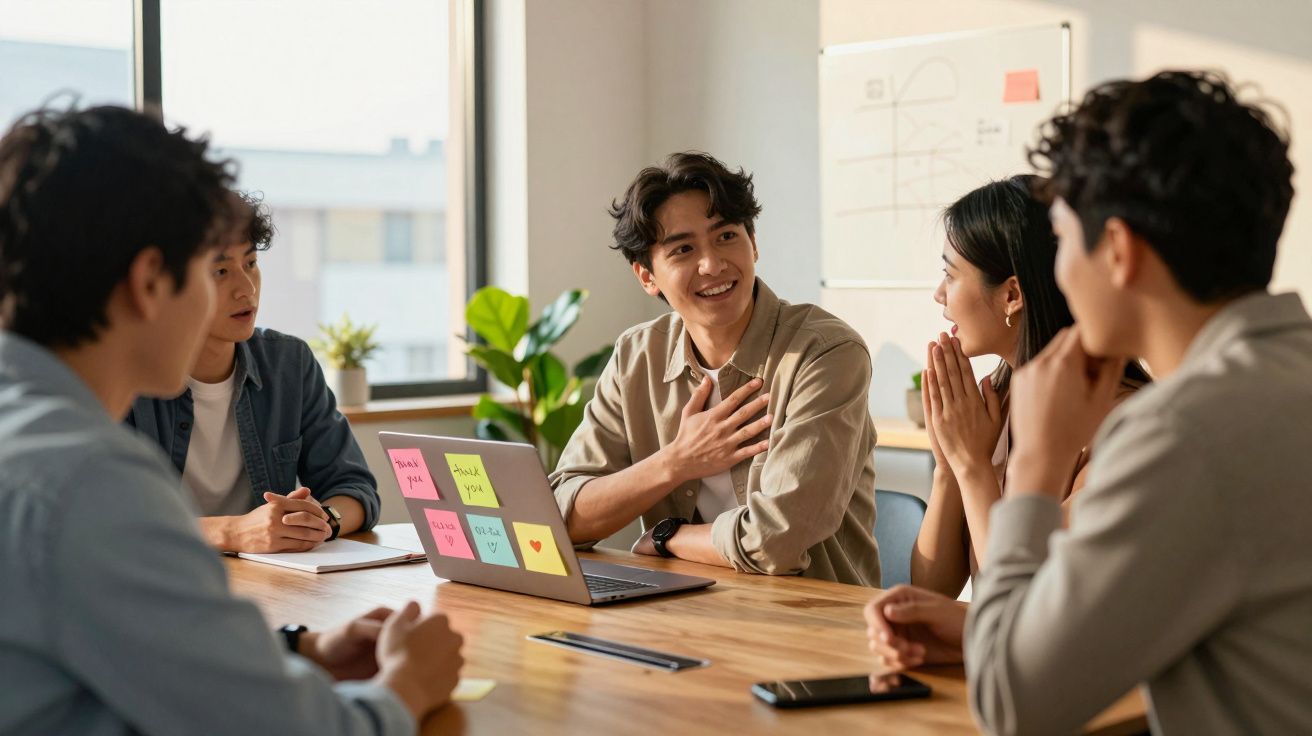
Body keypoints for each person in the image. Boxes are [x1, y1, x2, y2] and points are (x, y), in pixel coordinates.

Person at [868, 70, 1312, 735]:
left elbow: (1015, 705)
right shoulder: (1284, 374)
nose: (1060, 276)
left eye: (1066, 242)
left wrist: (1038, 469)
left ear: (1119, 253)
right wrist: (974, 626)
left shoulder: (1179, 434)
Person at [0, 104, 462, 734]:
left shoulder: (28, 434)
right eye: (209, 269)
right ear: (149, 282)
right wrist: (407, 685)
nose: (241, 288)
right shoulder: (91, 481)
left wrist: (299, 650)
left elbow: (128, 642)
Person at [549, 151, 881, 586]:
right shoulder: (637, 356)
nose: (712, 264)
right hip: (686, 619)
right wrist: (676, 461)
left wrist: (668, 539)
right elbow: (561, 516)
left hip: (813, 624)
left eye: (726, 236)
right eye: (684, 249)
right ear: (647, 277)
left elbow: (777, 539)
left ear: (754, 243)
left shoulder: (825, 352)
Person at [911, 175, 1148, 596]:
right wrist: (949, 466)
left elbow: (1023, 605)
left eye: (950, 275)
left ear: (1012, 295)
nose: (938, 294)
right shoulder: (991, 402)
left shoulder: (1123, 424)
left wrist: (973, 466)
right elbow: (933, 587)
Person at [127, 192, 380, 554]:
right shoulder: (127, 375)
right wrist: (232, 532)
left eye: (250, 263)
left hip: (272, 581)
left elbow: (355, 489)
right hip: (162, 582)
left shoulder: (288, 362)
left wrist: (318, 522)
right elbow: (108, 523)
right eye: (220, 271)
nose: (246, 289)